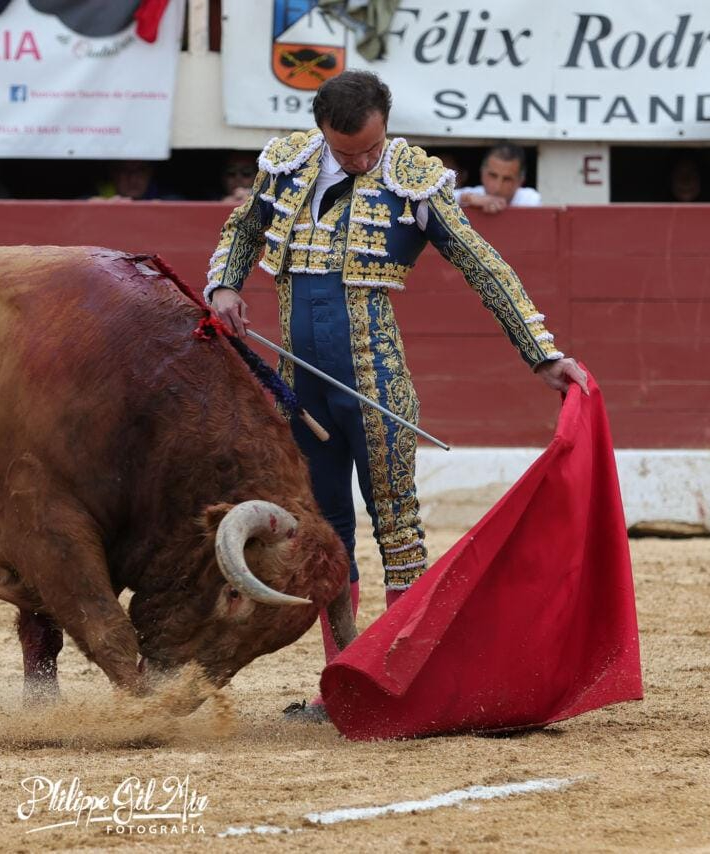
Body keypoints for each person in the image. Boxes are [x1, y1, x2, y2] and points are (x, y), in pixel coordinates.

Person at [204, 70, 586, 722]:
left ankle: (408, 678)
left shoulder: (411, 176)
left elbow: (479, 262)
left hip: (374, 383)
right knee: (324, 535)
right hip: (301, 392)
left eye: (369, 149)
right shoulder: (289, 164)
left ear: (384, 125)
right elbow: (243, 230)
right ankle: (346, 681)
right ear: (322, 129)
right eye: (347, 151)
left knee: (397, 530)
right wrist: (224, 287)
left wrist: (541, 354)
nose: (360, 161)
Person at [453, 143, 539, 213]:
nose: (497, 187)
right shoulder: (473, 194)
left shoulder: (529, 199)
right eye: (493, 176)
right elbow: (442, 200)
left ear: (520, 181)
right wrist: (468, 199)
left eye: (507, 179)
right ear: (482, 173)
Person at [88, 159, 179, 201]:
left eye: (141, 170)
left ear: (150, 173)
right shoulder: (100, 194)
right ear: (112, 173)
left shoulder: (167, 198)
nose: (133, 178)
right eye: (124, 171)